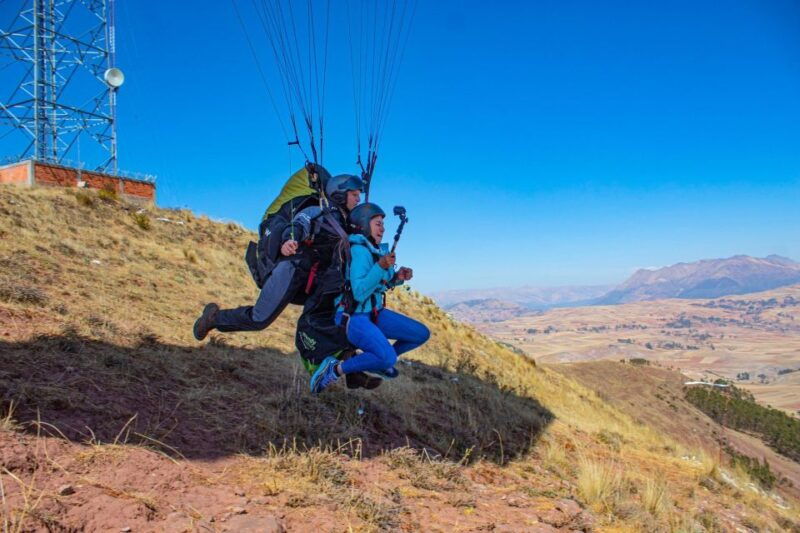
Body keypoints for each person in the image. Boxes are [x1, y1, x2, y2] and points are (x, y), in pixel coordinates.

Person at [192, 173, 364, 340]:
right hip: (292, 268)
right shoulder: (317, 210)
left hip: (313, 281)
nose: (358, 199)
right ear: (340, 195)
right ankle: (213, 319)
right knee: (259, 319)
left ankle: (341, 362)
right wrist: (290, 240)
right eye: (354, 194)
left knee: (335, 317)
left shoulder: (347, 224)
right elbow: (298, 224)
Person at [309, 202, 430, 394]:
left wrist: (397, 277)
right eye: (378, 223)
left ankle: (377, 362)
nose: (383, 228)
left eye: (383, 224)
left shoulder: (374, 250)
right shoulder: (359, 250)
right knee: (388, 358)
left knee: (421, 334)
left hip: (373, 312)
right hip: (351, 317)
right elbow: (359, 292)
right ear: (364, 224)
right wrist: (380, 267)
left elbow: (378, 285)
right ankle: (333, 370)